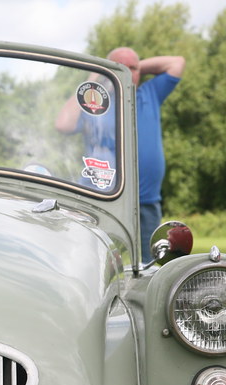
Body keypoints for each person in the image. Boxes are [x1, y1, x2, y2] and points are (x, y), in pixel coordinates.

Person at [57, 47, 184, 263]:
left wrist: (131, 68)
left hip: (145, 202)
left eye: (133, 68)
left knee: (149, 268)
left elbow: (177, 62)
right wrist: (95, 75)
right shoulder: (95, 103)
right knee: (88, 263)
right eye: (119, 68)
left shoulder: (149, 94)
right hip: (99, 200)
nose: (128, 72)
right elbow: (63, 124)